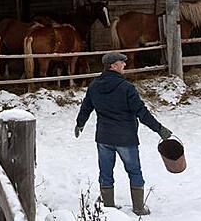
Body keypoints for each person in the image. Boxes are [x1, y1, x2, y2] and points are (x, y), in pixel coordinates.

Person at [74, 52, 172, 216]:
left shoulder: (94, 85)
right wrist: (159, 129)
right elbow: (142, 112)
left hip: (104, 137)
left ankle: (109, 207)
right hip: (125, 138)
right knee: (134, 171)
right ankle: (139, 207)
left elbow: (86, 108)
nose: (125, 65)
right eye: (122, 62)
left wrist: (79, 124)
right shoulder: (126, 88)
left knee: (105, 172)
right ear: (113, 65)